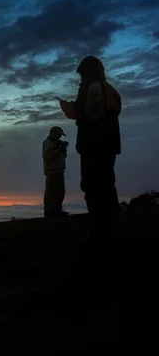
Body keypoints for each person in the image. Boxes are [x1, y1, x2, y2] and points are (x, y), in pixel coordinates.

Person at [59, 55, 122, 241]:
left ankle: (99, 230)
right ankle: (110, 228)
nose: (80, 80)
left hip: (93, 144)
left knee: (92, 186)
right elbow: (100, 111)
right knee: (107, 185)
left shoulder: (90, 87)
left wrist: (66, 108)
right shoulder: (108, 89)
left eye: (81, 76)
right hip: (109, 144)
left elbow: (82, 113)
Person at [42, 126, 69, 217]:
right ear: (53, 133)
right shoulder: (48, 143)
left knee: (59, 192)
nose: (59, 137)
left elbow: (63, 156)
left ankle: (57, 211)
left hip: (59, 171)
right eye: (58, 135)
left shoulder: (56, 143)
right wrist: (59, 149)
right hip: (52, 172)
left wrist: (63, 148)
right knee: (51, 192)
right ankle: (50, 212)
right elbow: (48, 157)